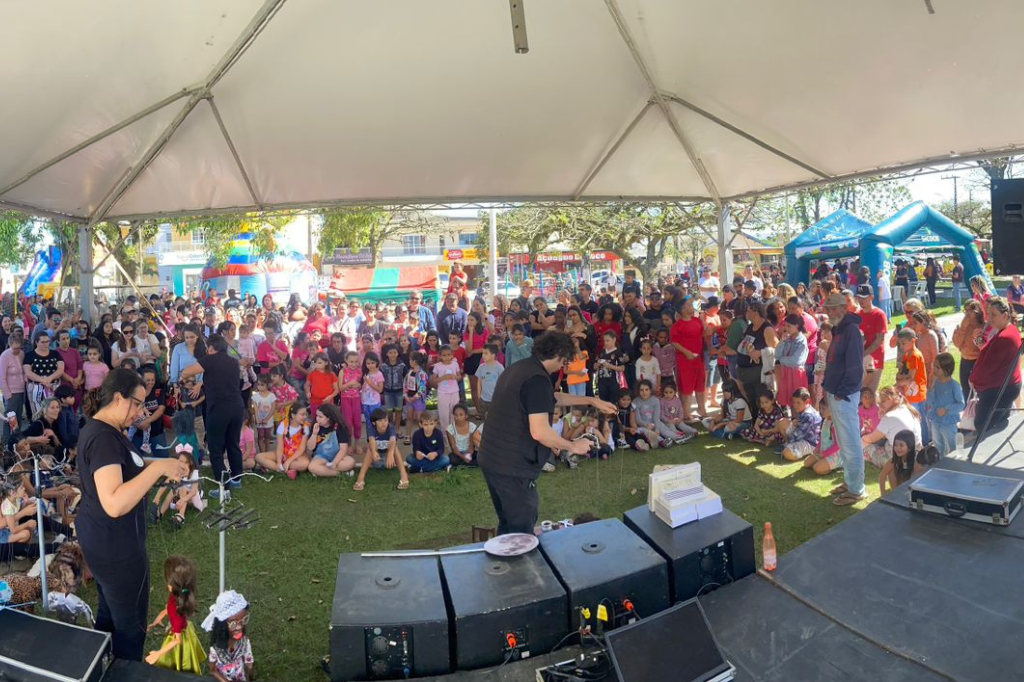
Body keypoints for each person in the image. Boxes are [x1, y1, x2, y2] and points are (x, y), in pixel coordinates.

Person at [76, 369, 188, 660]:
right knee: (130, 630)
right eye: (137, 403)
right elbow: (113, 502)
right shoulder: (103, 439)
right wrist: (156, 469)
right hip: (116, 550)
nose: (140, 412)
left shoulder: (106, 430)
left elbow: (128, 464)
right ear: (118, 398)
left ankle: (100, 666)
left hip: (103, 543)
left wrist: (161, 464)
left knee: (109, 616)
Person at [479, 331, 614, 535]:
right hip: (511, 466)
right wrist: (572, 446)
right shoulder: (536, 380)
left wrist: (592, 400)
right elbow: (540, 432)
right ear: (559, 354)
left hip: (491, 458)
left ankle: (504, 559)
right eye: (565, 361)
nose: (565, 366)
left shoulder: (521, 368)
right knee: (521, 527)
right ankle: (517, 564)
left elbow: (551, 397)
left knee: (508, 521)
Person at [180, 335, 246, 488]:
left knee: (215, 447)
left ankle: (223, 485)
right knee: (233, 443)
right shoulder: (233, 362)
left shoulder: (209, 359)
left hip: (218, 408)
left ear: (211, 347)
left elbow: (185, 373)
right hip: (237, 407)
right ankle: (237, 479)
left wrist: (190, 372)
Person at [821, 292, 866, 506]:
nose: (829, 313)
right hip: (838, 393)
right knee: (844, 441)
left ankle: (857, 489)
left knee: (850, 443)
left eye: (832, 309)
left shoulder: (851, 331)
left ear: (843, 307)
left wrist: (842, 392)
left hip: (844, 395)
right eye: (827, 309)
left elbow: (856, 367)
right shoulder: (841, 329)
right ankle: (851, 483)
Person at [970, 297, 1022, 440]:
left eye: (993, 314)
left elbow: (988, 366)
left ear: (1005, 316)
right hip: (1004, 385)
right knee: (994, 424)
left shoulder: (1004, 336)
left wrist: (973, 379)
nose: (989, 318)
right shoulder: (1007, 330)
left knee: (983, 425)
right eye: (988, 314)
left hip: (999, 388)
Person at [146, 555, 205, 672]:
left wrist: (158, 653)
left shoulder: (177, 613)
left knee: (180, 664)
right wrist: (158, 619)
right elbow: (168, 609)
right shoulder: (175, 596)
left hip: (181, 640)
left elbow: (177, 640)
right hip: (179, 631)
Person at [354, 408, 410, 491]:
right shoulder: (371, 429)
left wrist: (390, 454)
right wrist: (373, 451)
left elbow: (392, 441)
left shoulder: (391, 428)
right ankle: (360, 478)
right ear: (374, 422)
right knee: (370, 448)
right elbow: (372, 441)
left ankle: (404, 476)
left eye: (385, 420)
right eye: (380, 421)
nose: (384, 423)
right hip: (376, 458)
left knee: (395, 448)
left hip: (389, 460)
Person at [926, 352, 964, 456]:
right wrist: (932, 387)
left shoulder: (954, 385)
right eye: (933, 366)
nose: (933, 369)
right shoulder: (935, 383)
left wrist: (947, 409)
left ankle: (953, 465)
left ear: (946, 370)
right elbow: (929, 401)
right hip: (936, 420)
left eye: (937, 367)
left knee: (952, 446)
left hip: (948, 422)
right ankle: (940, 464)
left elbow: (961, 404)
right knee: (938, 445)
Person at [306, 403, 356, 477]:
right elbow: (310, 448)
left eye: (320, 417)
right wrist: (314, 434)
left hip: (338, 456)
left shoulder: (340, 427)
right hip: (321, 457)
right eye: (317, 416)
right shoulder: (315, 426)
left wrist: (335, 463)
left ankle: (323, 471)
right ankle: (341, 474)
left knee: (350, 462)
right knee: (312, 467)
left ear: (329, 417)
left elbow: (343, 449)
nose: (317, 419)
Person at [952, 299, 985, 402]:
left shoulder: (982, 326)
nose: (966, 314)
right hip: (965, 361)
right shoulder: (964, 326)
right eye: (965, 311)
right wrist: (963, 328)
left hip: (977, 361)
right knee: (966, 391)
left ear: (977, 311)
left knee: (978, 391)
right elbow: (958, 343)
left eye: (969, 311)